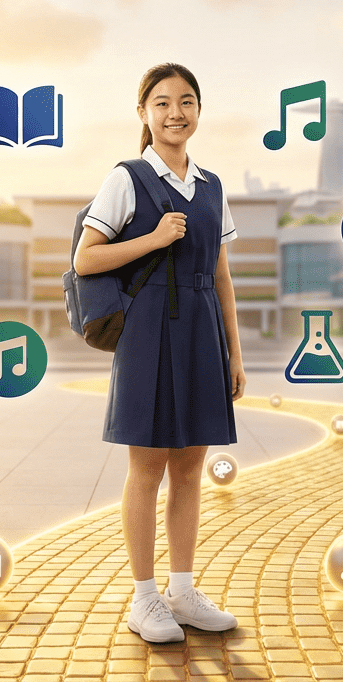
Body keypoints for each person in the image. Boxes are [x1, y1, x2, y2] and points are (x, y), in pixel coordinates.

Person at [72, 62, 246, 643]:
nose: (176, 112)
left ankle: (182, 591)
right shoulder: (126, 177)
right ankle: (144, 599)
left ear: (199, 111)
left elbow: (221, 276)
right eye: (164, 102)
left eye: (187, 101)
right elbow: (85, 259)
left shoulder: (213, 186)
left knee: (191, 466)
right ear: (144, 113)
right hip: (149, 330)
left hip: (201, 330)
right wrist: (152, 238)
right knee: (146, 468)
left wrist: (235, 354)